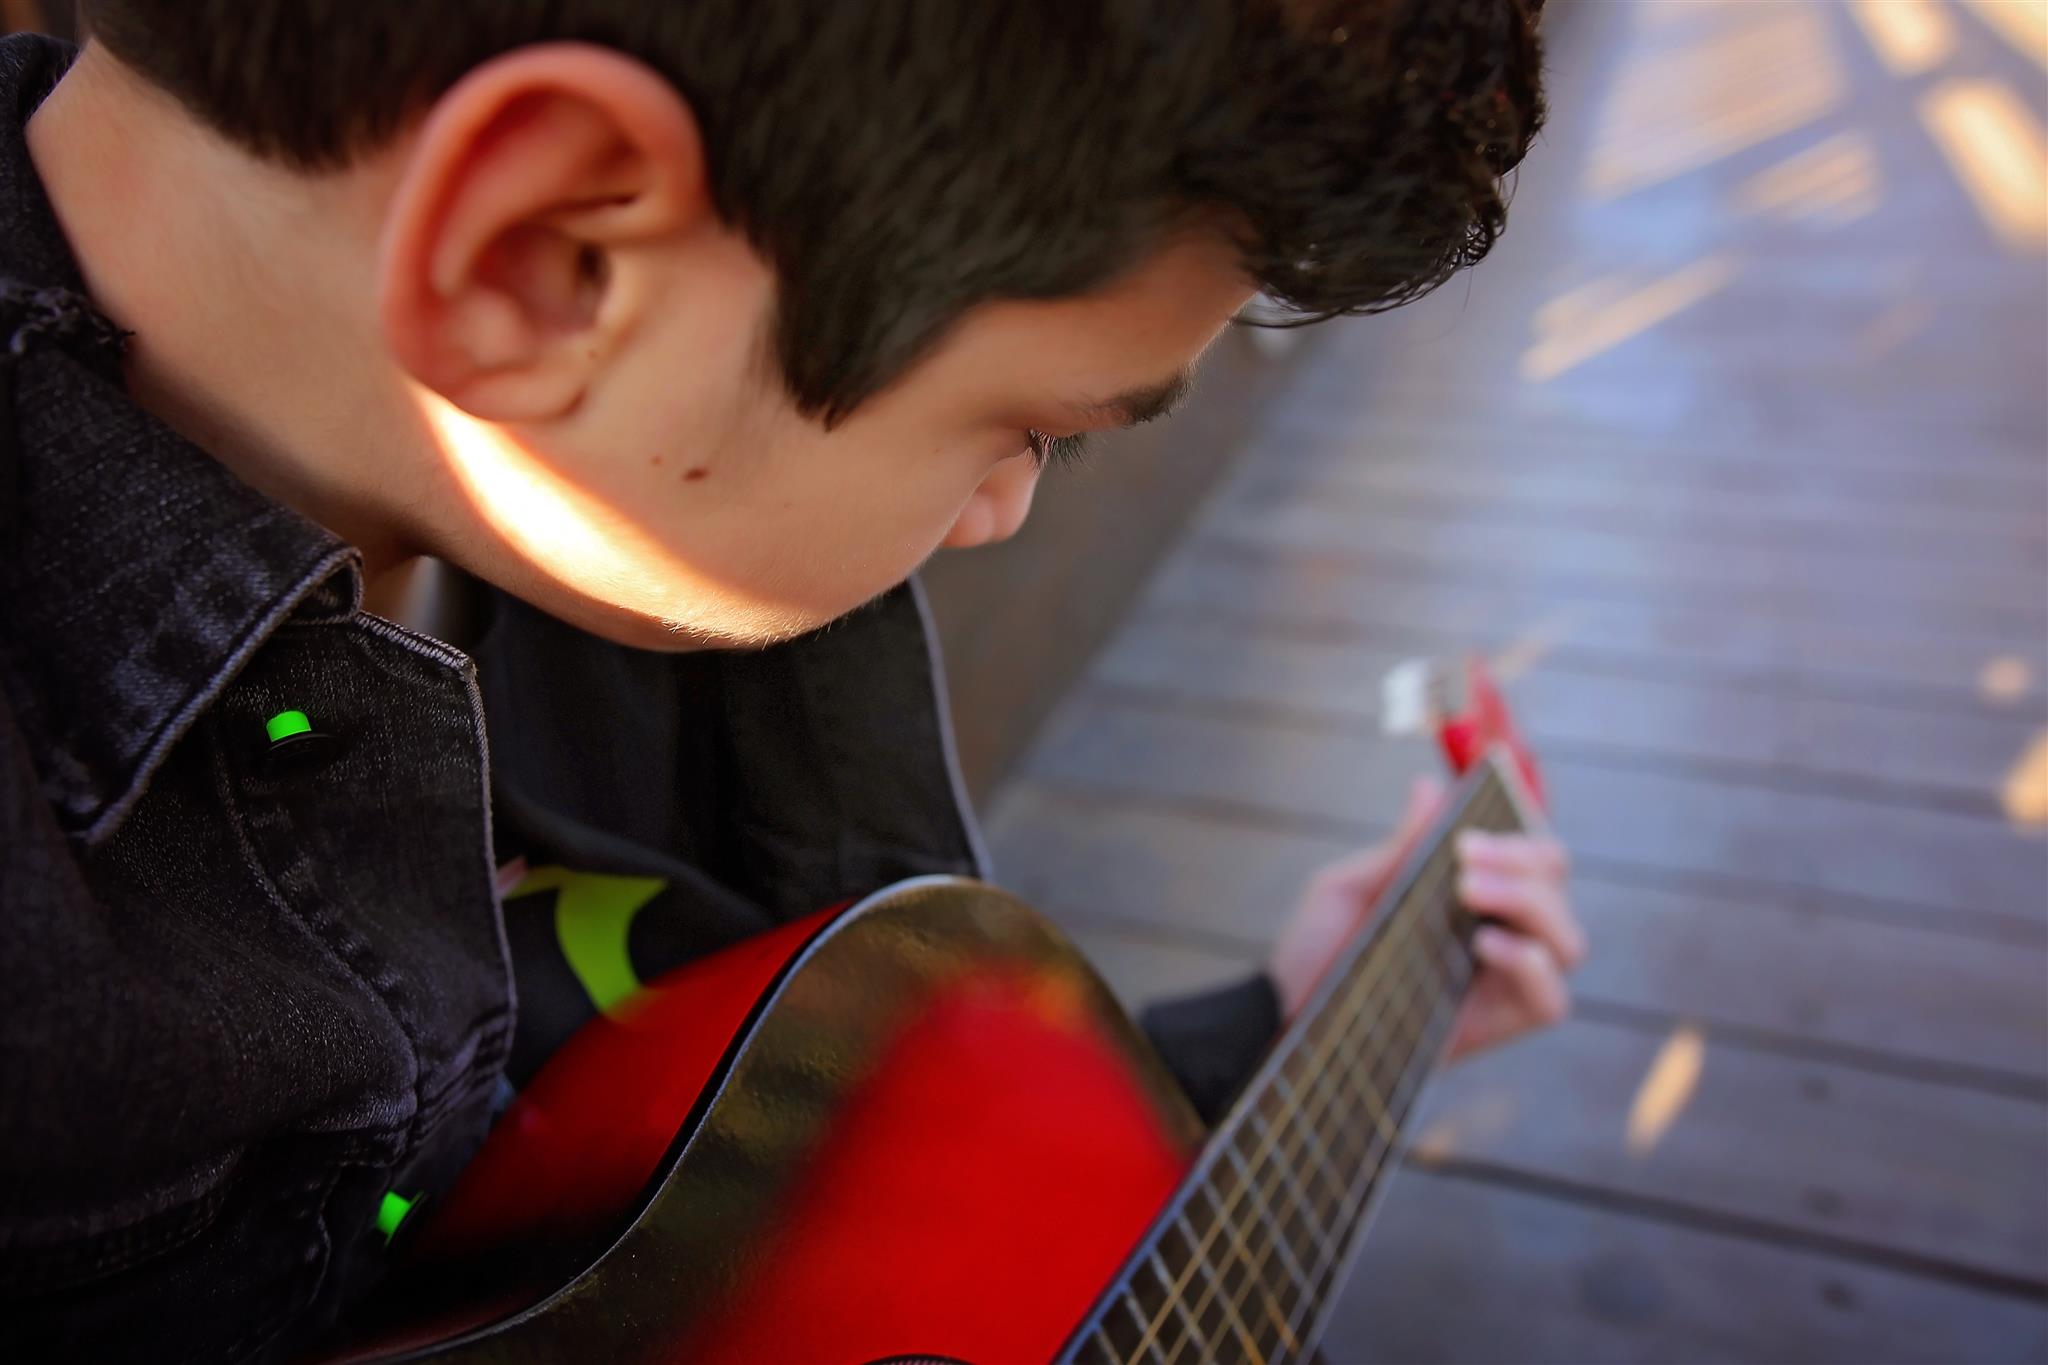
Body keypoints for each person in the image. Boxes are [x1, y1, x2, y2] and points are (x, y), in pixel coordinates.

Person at [0, 2, 1576, 1359]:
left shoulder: (635, 497)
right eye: (1031, 427)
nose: (1002, 511)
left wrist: (1264, 1039)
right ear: (547, 261)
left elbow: (753, 1238)